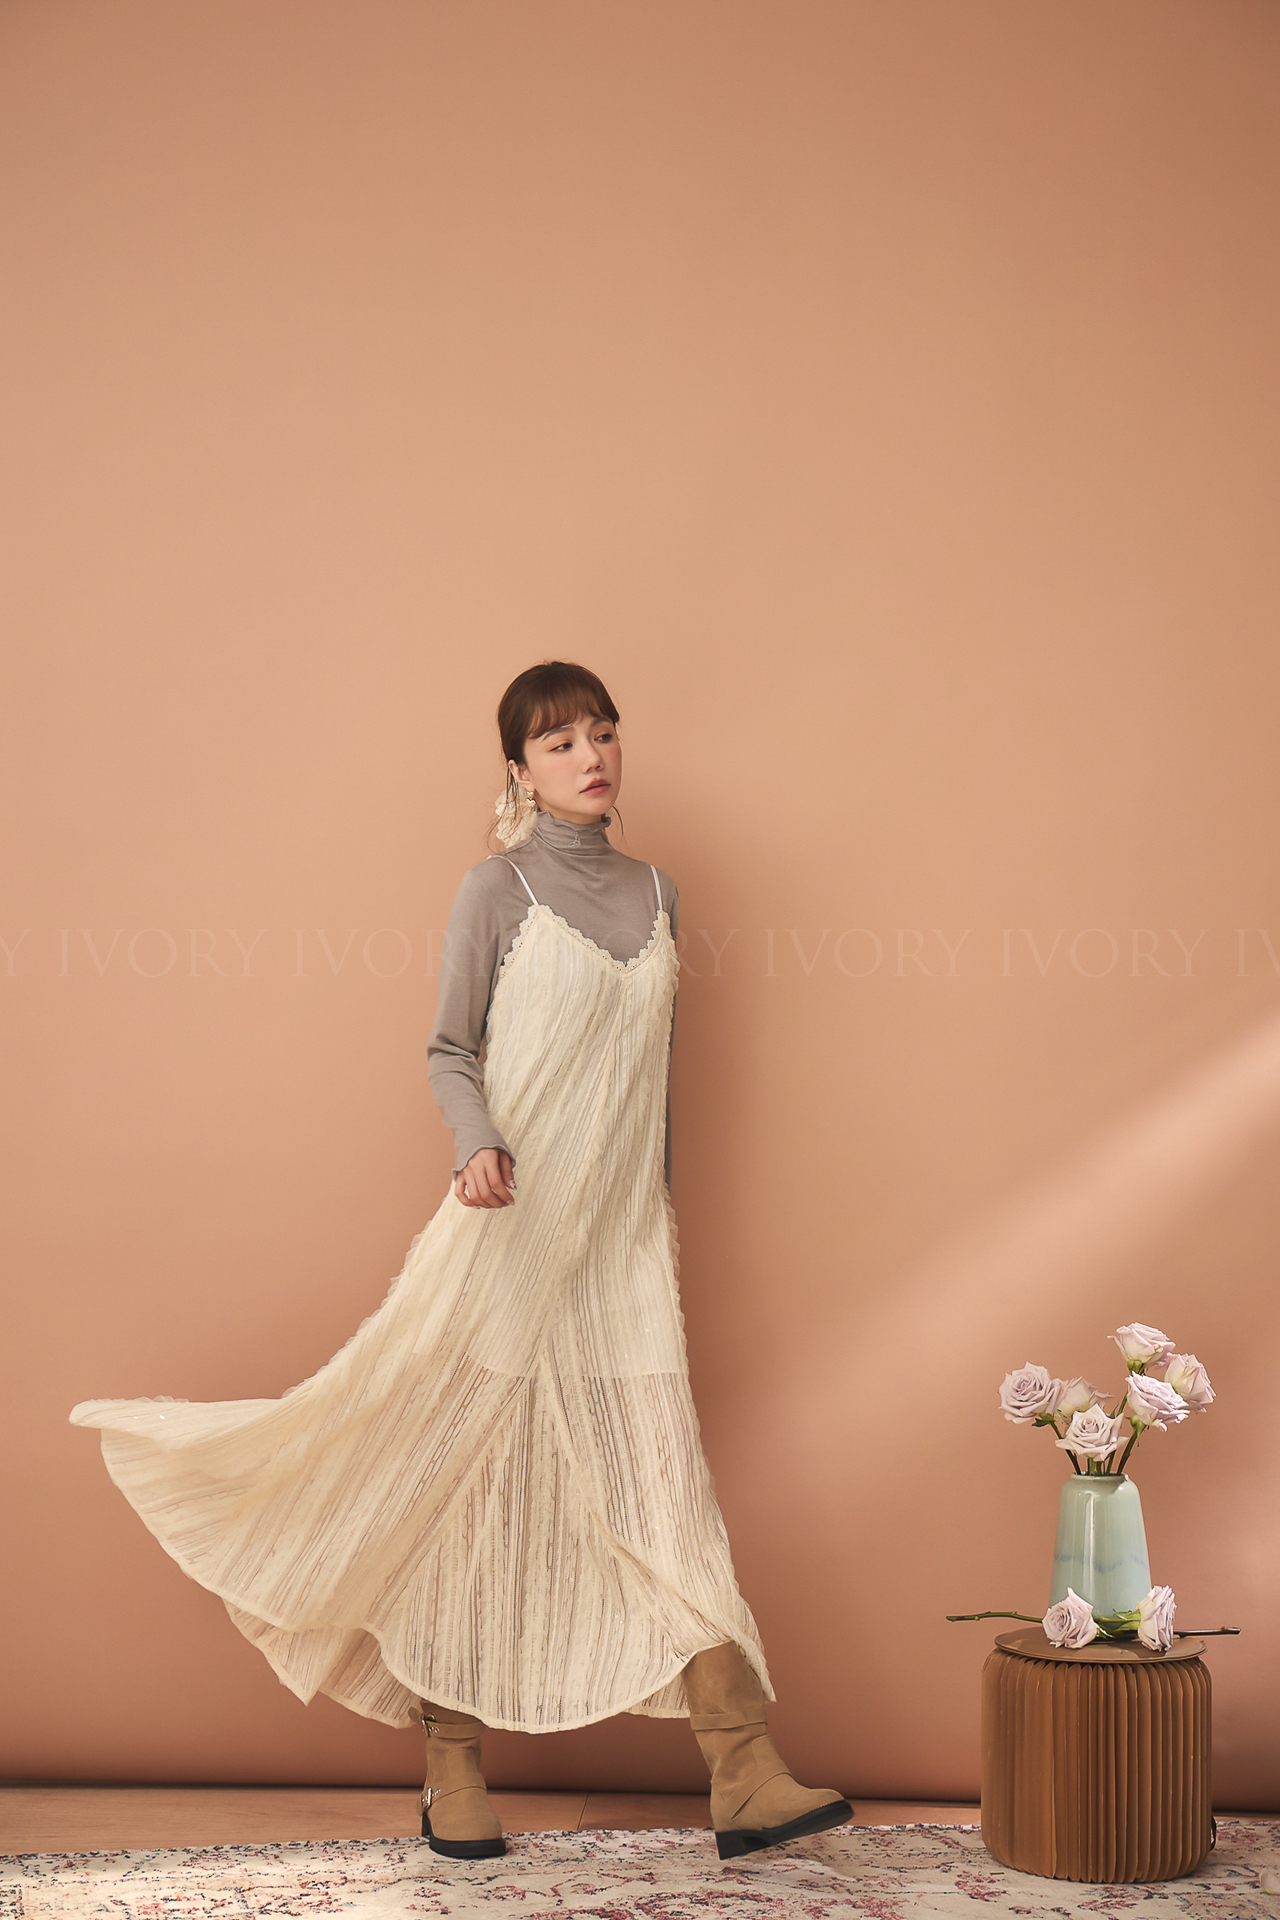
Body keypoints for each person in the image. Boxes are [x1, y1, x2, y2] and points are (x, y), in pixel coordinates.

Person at [69, 660, 850, 1863]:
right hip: (505, 1237)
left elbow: (652, 1086)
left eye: (603, 733)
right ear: (517, 770)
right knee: (462, 1489)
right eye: (559, 743)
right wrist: (475, 1142)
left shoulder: (659, 893)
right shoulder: (497, 889)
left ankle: (743, 1771)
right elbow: (449, 1047)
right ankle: (451, 1767)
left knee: (664, 1494)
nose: (590, 757)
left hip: (619, 1254)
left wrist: (649, 1228)